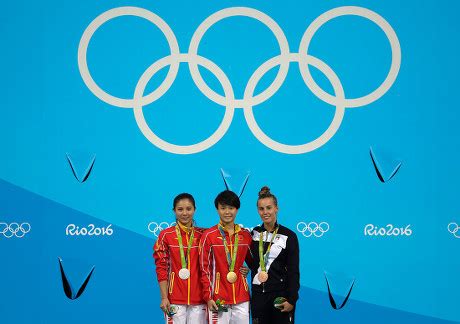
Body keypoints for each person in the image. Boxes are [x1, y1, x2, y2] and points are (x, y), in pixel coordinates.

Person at [199, 190, 253, 324]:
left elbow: (255, 262)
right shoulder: (208, 235)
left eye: (231, 208)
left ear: (237, 209)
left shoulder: (245, 235)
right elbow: (204, 269)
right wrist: (208, 297)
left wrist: (248, 269)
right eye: (223, 208)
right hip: (218, 298)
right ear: (217, 209)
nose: (227, 212)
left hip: (242, 297)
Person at [249, 186, 300, 324]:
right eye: (261, 209)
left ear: (276, 208)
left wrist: (292, 299)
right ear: (258, 211)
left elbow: (293, 271)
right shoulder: (253, 234)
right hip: (259, 296)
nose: (265, 212)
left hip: (280, 296)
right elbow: (251, 262)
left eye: (269, 207)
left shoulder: (289, 236)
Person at [153, 193, 207, 324]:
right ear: (174, 211)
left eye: (189, 209)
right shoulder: (165, 235)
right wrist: (164, 297)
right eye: (180, 209)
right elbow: (161, 267)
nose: (185, 213)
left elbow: (217, 261)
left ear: (195, 209)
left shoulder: (204, 235)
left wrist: (241, 268)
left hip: (200, 299)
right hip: (174, 299)